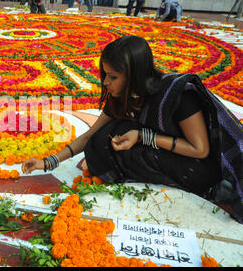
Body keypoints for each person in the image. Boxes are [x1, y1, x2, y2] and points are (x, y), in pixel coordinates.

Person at [22, 35, 243, 224]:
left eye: (113, 77)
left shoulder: (177, 95)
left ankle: (212, 190)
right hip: (164, 153)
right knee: (101, 140)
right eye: (105, 75)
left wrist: (142, 136)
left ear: (134, 75)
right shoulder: (125, 96)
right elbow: (90, 134)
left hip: (197, 167)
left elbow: (200, 149)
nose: (106, 82)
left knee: (115, 145)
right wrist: (49, 162)